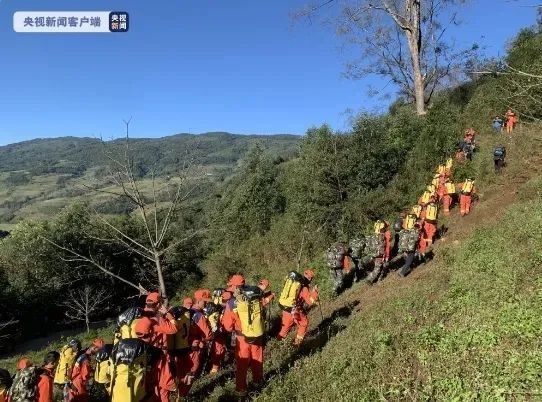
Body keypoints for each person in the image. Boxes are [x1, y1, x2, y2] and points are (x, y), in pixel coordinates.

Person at [222, 278, 270, 398]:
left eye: (232, 287)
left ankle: (241, 390)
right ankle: (258, 383)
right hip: (256, 334)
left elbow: (227, 327)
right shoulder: (255, 296)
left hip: (241, 338)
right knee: (257, 360)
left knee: (242, 364)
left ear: (236, 287)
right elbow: (263, 304)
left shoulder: (231, 303)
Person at [137, 292, 178, 402]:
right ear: (158, 304)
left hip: (144, 357)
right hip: (159, 356)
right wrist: (168, 314)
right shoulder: (158, 319)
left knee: (149, 387)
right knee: (163, 386)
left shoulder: (140, 316)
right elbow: (173, 329)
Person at [176, 289, 212, 398]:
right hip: (194, 349)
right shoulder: (199, 316)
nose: (206, 303)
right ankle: (182, 397)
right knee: (191, 374)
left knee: (182, 374)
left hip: (182, 348)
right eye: (204, 301)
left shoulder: (186, 313)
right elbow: (208, 335)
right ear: (198, 300)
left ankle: (178, 396)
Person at [277, 270, 319, 346]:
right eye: (311, 278)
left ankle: (278, 345)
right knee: (303, 323)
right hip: (296, 310)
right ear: (310, 278)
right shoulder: (304, 287)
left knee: (284, 329)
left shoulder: (294, 282)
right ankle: (297, 344)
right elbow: (310, 301)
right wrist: (314, 292)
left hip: (286, 309)